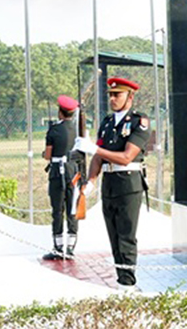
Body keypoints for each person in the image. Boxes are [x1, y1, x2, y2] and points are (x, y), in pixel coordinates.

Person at [73, 77, 150, 289]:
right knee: (113, 236)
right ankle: (121, 279)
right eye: (111, 95)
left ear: (130, 97)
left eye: (118, 95)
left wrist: (94, 149)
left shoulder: (139, 122)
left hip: (128, 185)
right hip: (109, 183)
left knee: (126, 235)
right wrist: (90, 181)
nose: (113, 98)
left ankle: (128, 283)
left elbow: (126, 157)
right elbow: (98, 158)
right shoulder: (107, 123)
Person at [42, 95, 80, 260]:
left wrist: (45, 154)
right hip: (73, 171)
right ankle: (71, 248)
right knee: (72, 209)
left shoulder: (54, 130)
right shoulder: (78, 129)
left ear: (60, 112)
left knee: (57, 210)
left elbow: (48, 155)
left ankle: (58, 247)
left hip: (58, 172)